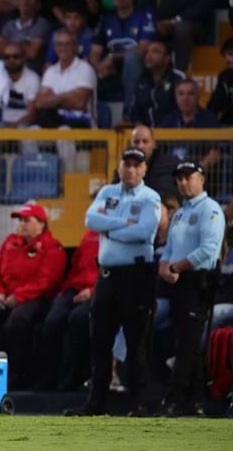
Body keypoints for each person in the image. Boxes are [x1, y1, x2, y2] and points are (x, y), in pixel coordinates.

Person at [67, 148, 161, 417]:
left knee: (136, 342)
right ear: (119, 167)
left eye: (136, 165)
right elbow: (90, 220)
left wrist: (108, 228)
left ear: (144, 170)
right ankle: (96, 404)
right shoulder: (108, 192)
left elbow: (144, 232)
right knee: (100, 341)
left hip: (136, 277)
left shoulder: (150, 197)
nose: (131, 170)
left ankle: (138, 404)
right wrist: (122, 224)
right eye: (127, 164)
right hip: (107, 277)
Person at [0, 203, 66, 390]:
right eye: (20, 220)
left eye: (26, 220)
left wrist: (19, 296)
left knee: (17, 322)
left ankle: (17, 374)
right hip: (6, 297)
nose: (21, 224)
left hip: (37, 299)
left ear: (41, 224)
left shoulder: (52, 248)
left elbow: (46, 281)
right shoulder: (10, 243)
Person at [156, 161, 225, 416]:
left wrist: (176, 267)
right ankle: (195, 400)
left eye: (188, 177)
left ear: (201, 179)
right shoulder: (181, 213)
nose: (183, 182)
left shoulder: (211, 210)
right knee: (186, 342)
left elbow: (208, 251)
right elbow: (171, 247)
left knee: (188, 342)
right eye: (179, 178)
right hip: (179, 282)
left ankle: (173, 399)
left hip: (199, 282)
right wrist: (165, 266)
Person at [38, 229, 98, 391]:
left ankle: (73, 378)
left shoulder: (119, 236)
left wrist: (93, 291)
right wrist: (66, 290)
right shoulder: (89, 235)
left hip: (100, 291)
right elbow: (76, 266)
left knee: (78, 318)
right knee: (53, 320)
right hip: (75, 287)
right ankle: (49, 379)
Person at [90, 0, 155, 111]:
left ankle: (128, 111)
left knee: (132, 57)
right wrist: (100, 68)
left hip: (139, 68)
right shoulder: (106, 19)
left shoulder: (145, 15)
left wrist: (112, 57)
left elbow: (143, 49)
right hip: (111, 71)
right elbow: (94, 52)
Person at [35, 29, 96, 128]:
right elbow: (40, 103)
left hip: (81, 123)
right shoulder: (50, 71)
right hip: (52, 121)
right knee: (31, 133)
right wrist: (67, 96)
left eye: (67, 44)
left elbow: (79, 103)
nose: (63, 48)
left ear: (75, 47)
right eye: (59, 44)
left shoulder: (85, 69)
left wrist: (53, 98)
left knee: (64, 132)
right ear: (54, 47)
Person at [128, 39, 184, 127]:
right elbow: (134, 111)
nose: (149, 56)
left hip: (171, 134)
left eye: (155, 52)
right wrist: (140, 127)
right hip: (145, 135)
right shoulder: (142, 80)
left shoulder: (177, 78)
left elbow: (182, 111)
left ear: (167, 58)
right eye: (147, 52)